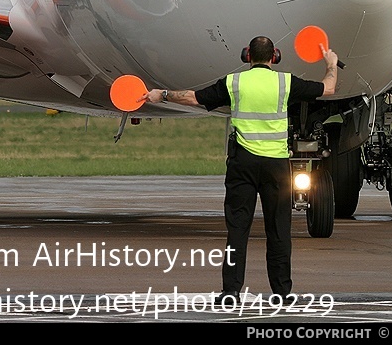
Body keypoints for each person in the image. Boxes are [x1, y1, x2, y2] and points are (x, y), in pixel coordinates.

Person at [144, 36, 338, 301]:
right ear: (274, 57)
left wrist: (161, 94)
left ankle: (231, 290)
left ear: (247, 56)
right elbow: (328, 89)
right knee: (279, 230)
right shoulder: (286, 82)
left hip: (242, 164)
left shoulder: (234, 83)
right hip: (276, 166)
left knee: (238, 229)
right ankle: (282, 292)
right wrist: (331, 64)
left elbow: (192, 98)